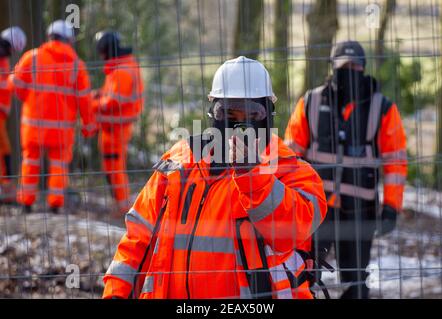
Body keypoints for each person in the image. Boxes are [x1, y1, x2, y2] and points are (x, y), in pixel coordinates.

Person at [103, 56, 327, 299]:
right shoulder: (179, 163)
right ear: (212, 114)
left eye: (252, 114)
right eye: (228, 113)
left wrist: (253, 176)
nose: (239, 124)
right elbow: (137, 236)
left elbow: (293, 229)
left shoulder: (289, 170)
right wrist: (116, 292)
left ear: (268, 116)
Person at [284, 41, 408, 298]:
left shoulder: (382, 108)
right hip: (315, 210)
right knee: (303, 275)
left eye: (355, 65)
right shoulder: (311, 102)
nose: (349, 70)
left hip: (360, 212)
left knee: (356, 283)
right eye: (343, 65)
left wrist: (391, 207)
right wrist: (289, 201)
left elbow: (395, 163)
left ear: (363, 67)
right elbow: (290, 156)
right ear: (333, 67)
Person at [11, 20, 96, 214]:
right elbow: (85, 100)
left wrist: (28, 98)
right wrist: (89, 126)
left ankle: (26, 203)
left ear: (50, 36)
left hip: (33, 126)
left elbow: (16, 84)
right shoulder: (77, 66)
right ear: (69, 40)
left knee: (30, 161)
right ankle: (55, 204)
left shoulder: (32, 57)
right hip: (62, 129)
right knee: (59, 164)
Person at [92, 31, 144, 216]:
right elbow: (110, 95)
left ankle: (122, 206)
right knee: (111, 167)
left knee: (115, 167)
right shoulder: (121, 67)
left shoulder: (122, 71)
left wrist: (93, 104)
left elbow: (113, 101)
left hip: (117, 128)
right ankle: (119, 204)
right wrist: (99, 95)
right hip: (112, 127)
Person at [0, 26, 26, 203]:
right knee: (4, 150)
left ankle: (7, 188)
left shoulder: (3, 60)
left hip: (1, 114)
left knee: (5, 150)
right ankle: (7, 188)